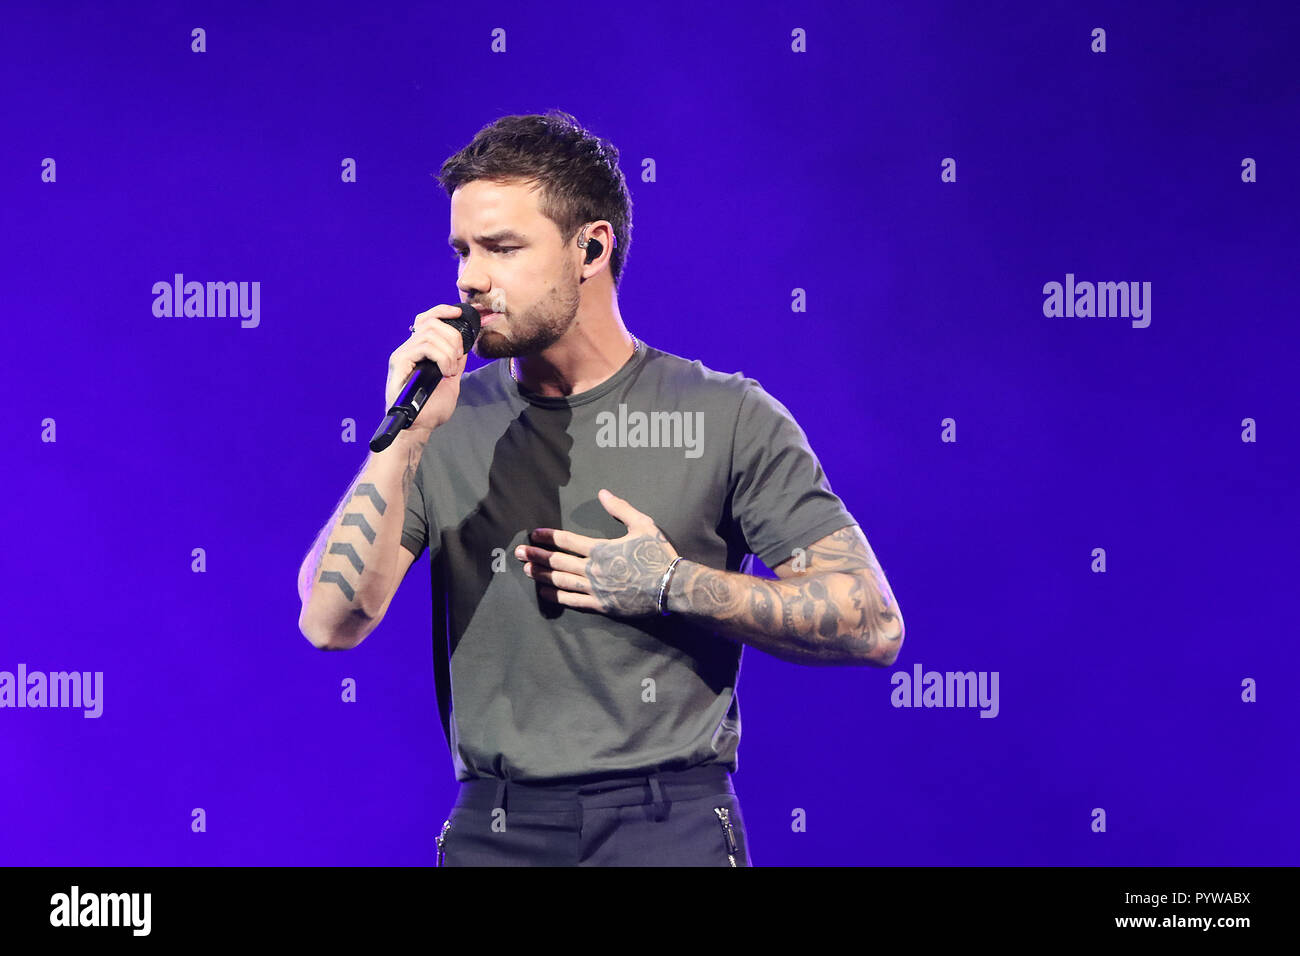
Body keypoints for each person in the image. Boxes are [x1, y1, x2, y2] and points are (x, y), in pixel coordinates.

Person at [297, 110, 905, 866]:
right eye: (461, 250)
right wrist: (408, 436)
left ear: (591, 247)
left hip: (667, 824)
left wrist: (671, 583)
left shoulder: (726, 413)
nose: (468, 277)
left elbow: (872, 622)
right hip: (497, 827)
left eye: (501, 247)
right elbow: (332, 621)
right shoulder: (446, 418)